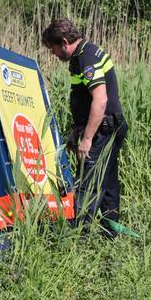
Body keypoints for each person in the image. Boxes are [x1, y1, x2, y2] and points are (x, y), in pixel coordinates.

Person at [41, 19, 127, 233]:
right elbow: (83, 100)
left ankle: (77, 235)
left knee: (88, 181)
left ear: (63, 42)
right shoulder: (82, 54)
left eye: (53, 48)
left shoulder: (86, 57)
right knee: (107, 181)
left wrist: (87, 139)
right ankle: (111, 231)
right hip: (108, 125)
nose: (53, 54)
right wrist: (78, 129)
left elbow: (100, 100)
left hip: (104, 128)